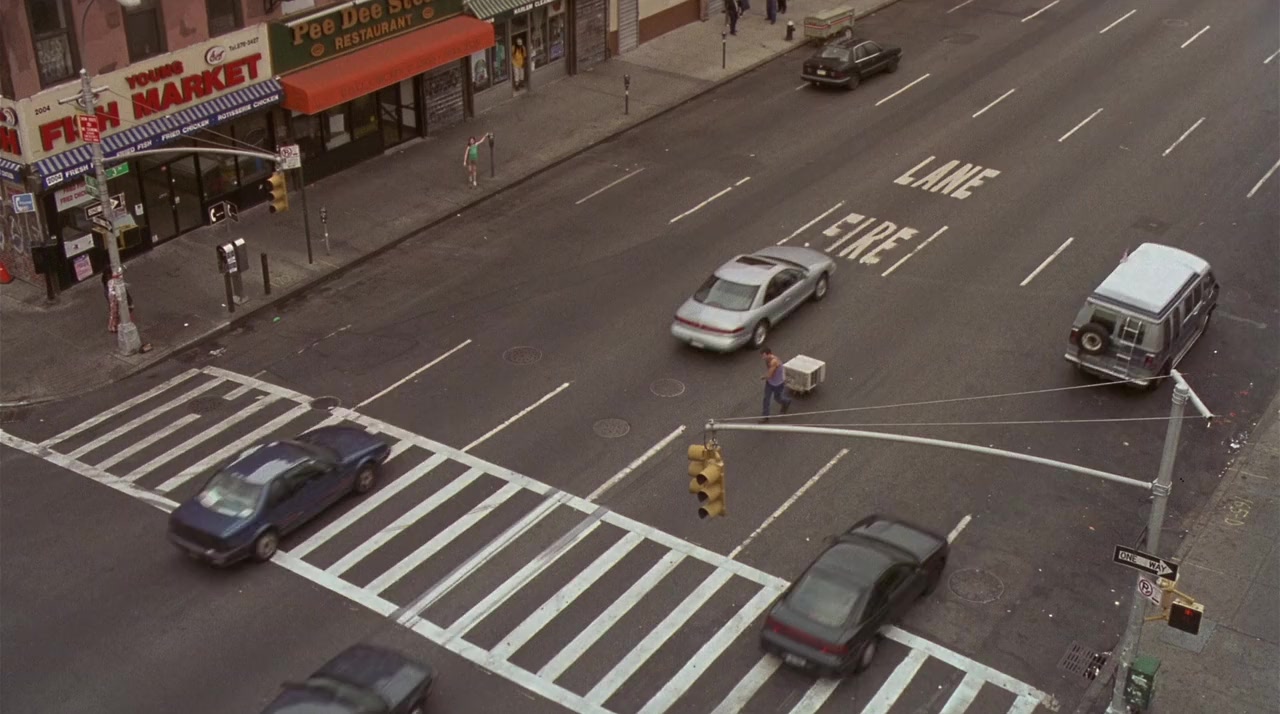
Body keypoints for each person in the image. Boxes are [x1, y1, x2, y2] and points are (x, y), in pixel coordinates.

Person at [760, 346, 791, 422]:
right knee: (766, 399)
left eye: (764, 356)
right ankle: (765, 416)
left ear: (769, 354)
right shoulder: (767, 360)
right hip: (770, 383)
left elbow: (770, 375)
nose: (762, 358)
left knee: (778, 398)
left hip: (778, 384)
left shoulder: (774, 362)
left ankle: (786, 402)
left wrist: (763, 377)